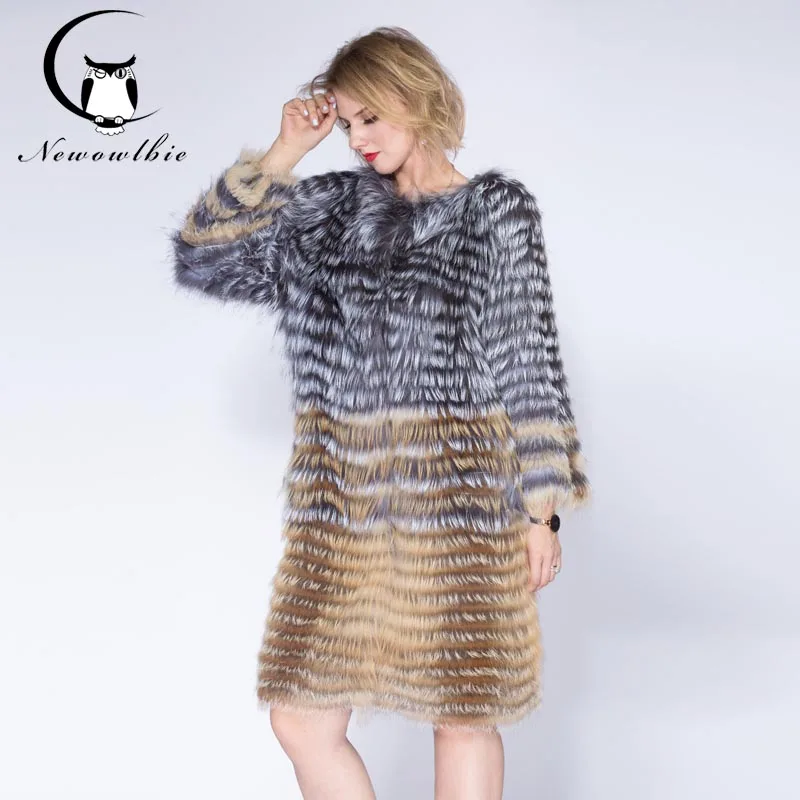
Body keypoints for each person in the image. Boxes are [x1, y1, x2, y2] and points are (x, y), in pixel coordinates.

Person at [170, 25, 591, 800]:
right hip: (344, 508)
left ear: (416, 98)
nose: (358, 138)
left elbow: (527, 360)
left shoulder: (493, 210)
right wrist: (284, 153)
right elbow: (205, 260)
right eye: (347, 122)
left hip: (459, 502)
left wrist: (542, 514)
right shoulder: (329, 209)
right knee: (302, 720)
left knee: (462, 713)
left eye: (371, 117)